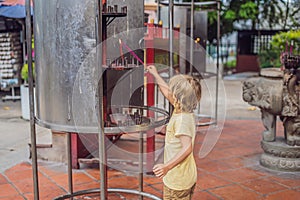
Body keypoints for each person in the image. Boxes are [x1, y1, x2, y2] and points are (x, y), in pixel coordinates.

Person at [147, 65, 201, 200]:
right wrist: (155, 74)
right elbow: (166, 92)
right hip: (184, 175)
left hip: (177, 179)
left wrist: (166, 167)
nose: (170, 93)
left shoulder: (183, 119)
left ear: (178, 98)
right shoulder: (182, 108)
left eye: (173, 92)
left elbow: (187, 147)